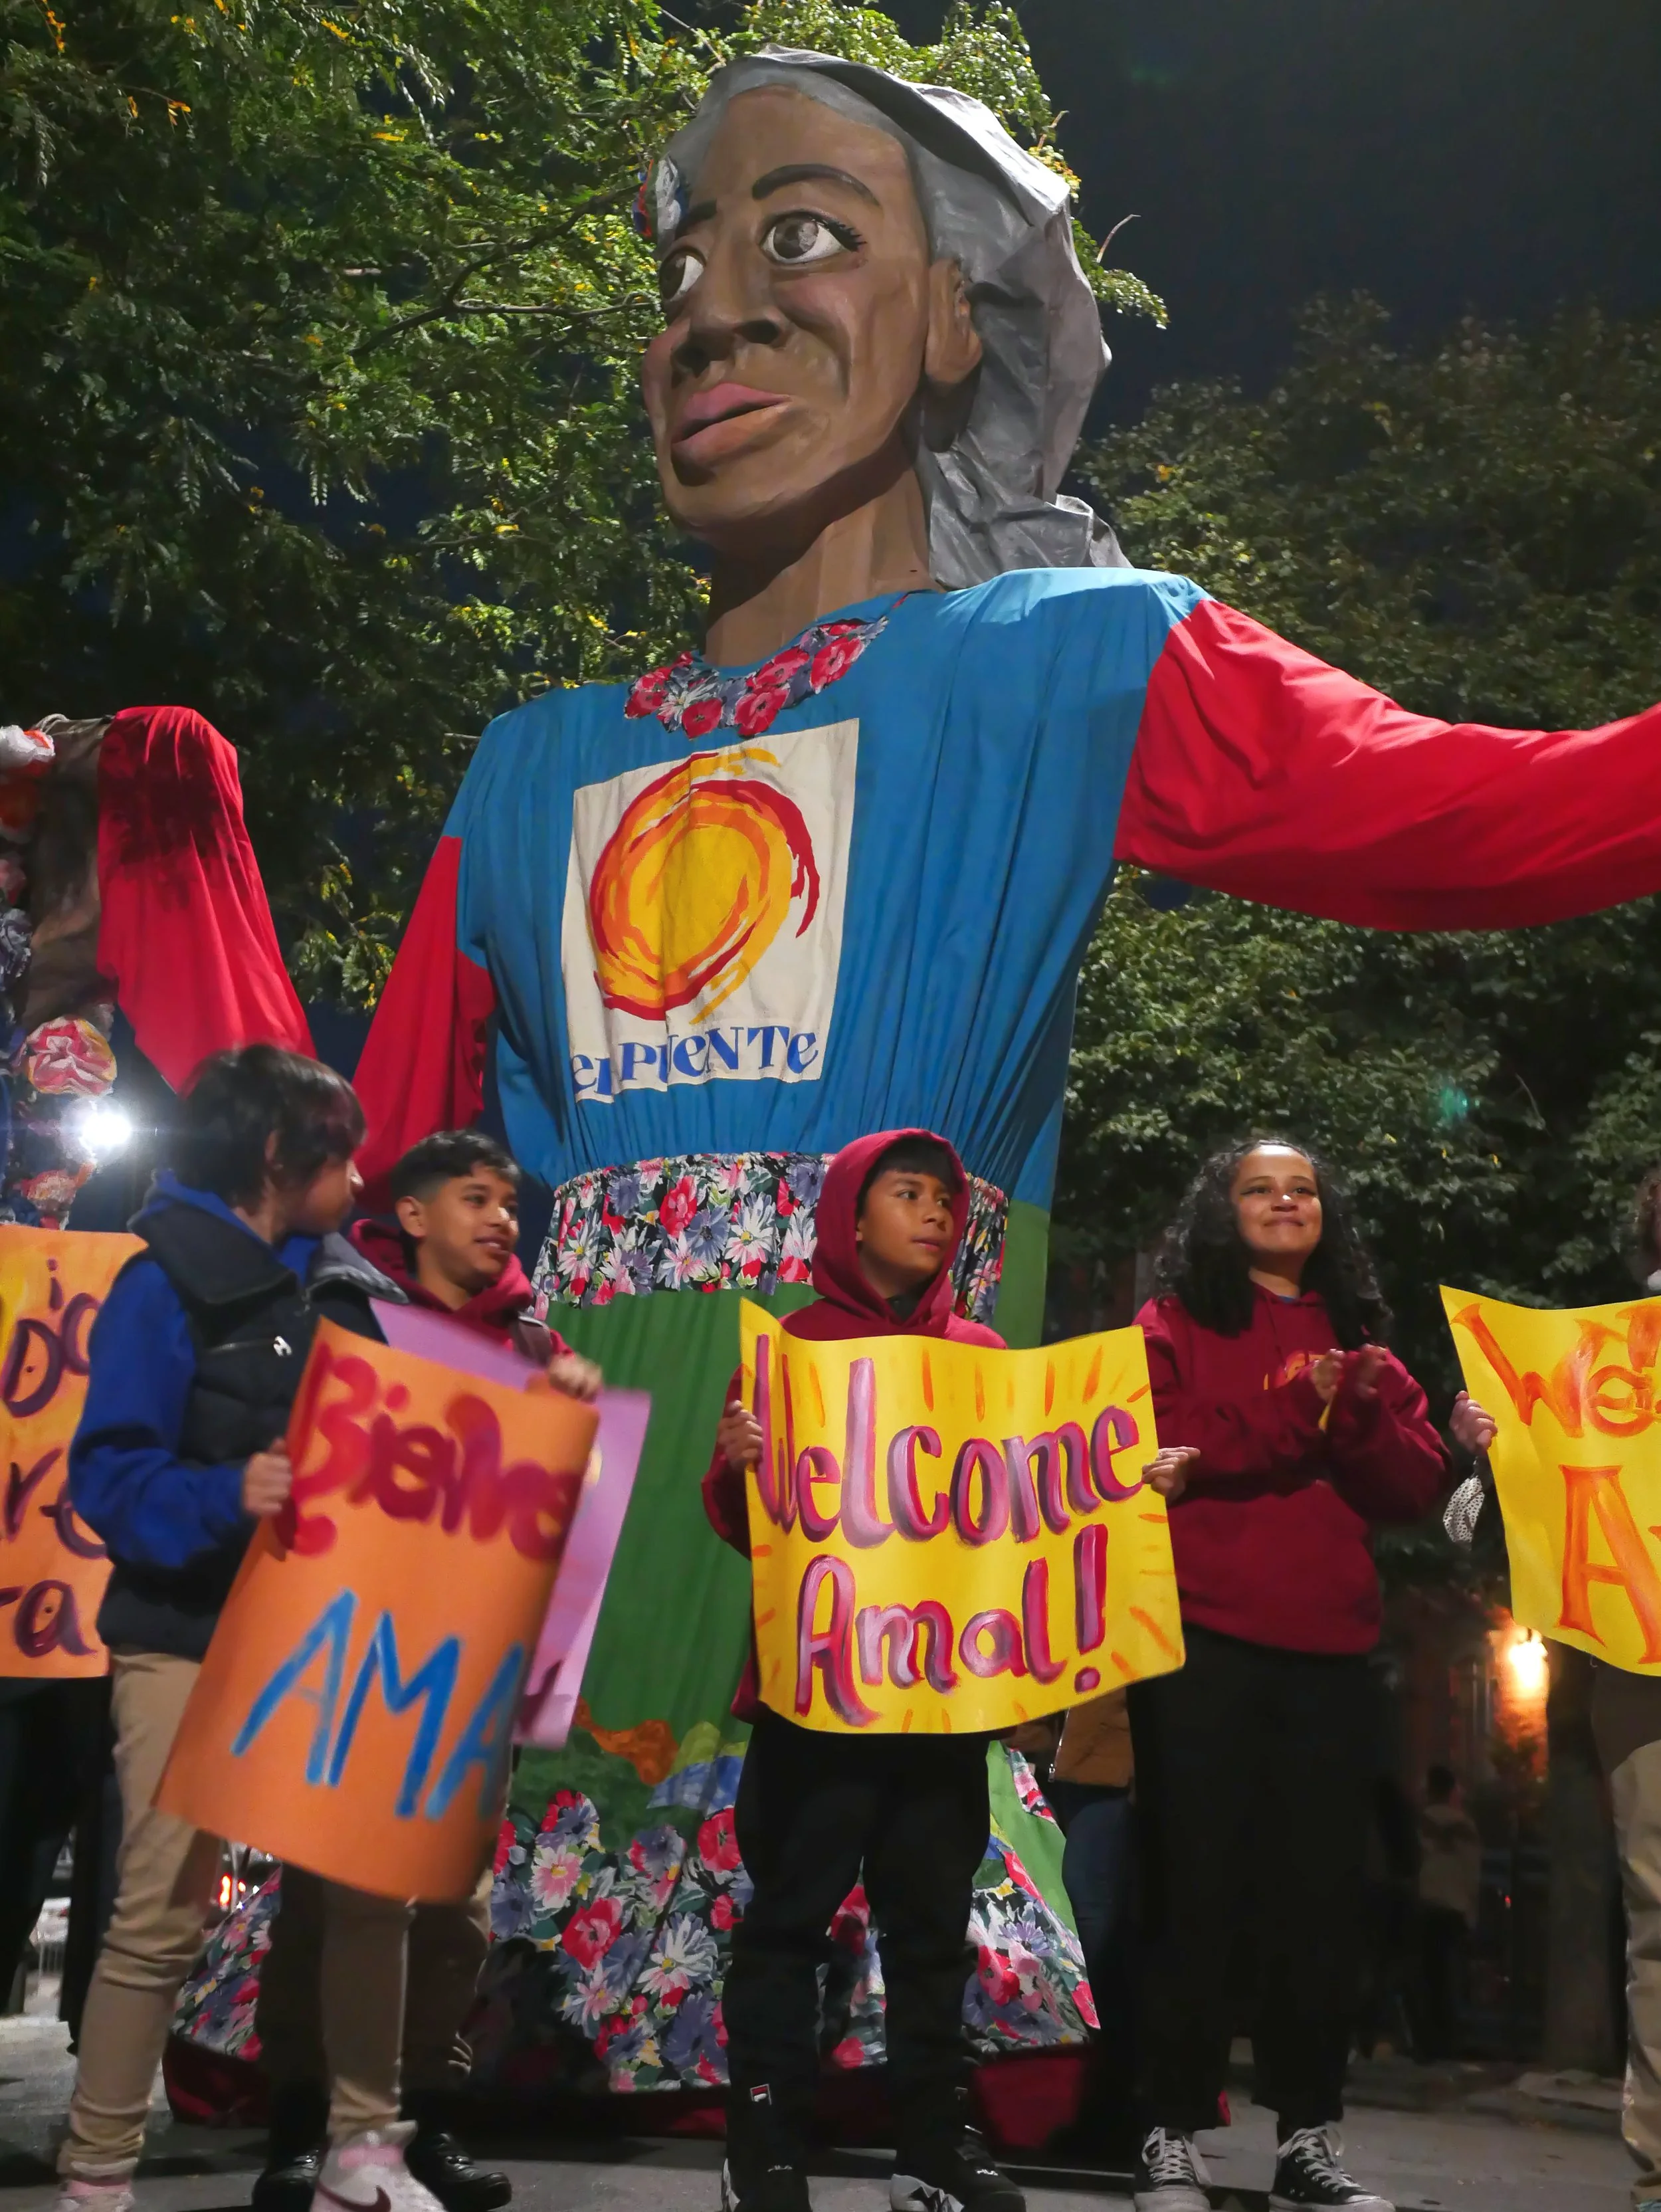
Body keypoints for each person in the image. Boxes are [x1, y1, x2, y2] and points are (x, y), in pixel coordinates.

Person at [345, 41, 1661, 2100]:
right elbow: (409, 1184)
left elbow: (1479, 813)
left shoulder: (1063, 659)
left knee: (874, 1966)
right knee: (423, 2024)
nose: (709, 307)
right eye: (679, 263)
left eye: (799, 237)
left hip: (873, 1467)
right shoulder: (527, 759)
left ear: (958, 314)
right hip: (569, 1500)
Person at [705, 1128, 1197, 2212]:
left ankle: (931, 2141)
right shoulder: (793, 1346)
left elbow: (1033, 1502)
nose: (933, 1212)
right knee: (790, 1913)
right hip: (819, 1695)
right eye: (907, 1192)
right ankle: (763, 2140)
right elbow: (752, 1524)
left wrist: (1129, 1474)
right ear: (851, 1212)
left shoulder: (981, 1350)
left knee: (929, 1924)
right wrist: (741, 1466)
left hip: (939, 1705)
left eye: (945, 1197)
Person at [54, 1046, 451, 2212]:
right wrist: (225, 1495)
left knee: (370, 1890)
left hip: (335, 1635)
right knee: (161, 1907)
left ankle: (365, 2148)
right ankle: (97, 2170)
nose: (364, 1172)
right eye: (344, 1149)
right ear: (282, 1153)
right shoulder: (160, 1280)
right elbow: (110, 1470)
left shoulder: (353, 1294)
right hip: (186, 1630)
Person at [250, 1126, 601, 2212]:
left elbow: (558, 1512)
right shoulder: (343, 1316)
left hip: (472, 1657)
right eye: (475, 1197)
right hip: (355, 1647)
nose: (501, 1217)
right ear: (411, 1213)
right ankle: (309, 2123)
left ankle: (421, 2119)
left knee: (456, 1901)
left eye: (508, 1201)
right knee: (333, 1893)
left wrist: (574, 1420)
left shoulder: (535, 1342)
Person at [1127, 1139, 1450, 2212]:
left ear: (1326, 1215)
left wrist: (1349, 1409)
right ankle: (1168, 2130)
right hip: (1201, 1639)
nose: (1284, 1201)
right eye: (1261, 1187)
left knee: (1320, 1901)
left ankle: (1308, 2137)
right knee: (1192, 1885)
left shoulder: (1361, 1342)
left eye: (1303, 1189)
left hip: (1330, 1648)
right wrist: (1297, 1414)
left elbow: (1411, 1479)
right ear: (1223, 1211)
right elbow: (1160, 1447)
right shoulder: (1170, 1325)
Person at [1413, 1765, 1481, 2062]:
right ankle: (1448, 2042)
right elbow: (1472, 1873)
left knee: (1427, 1979)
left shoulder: (1420, 1825)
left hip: (1426, 1908)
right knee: (1451, 1980)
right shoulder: (1465, 1828)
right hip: (1454, 1911)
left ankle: (1426, 2044)